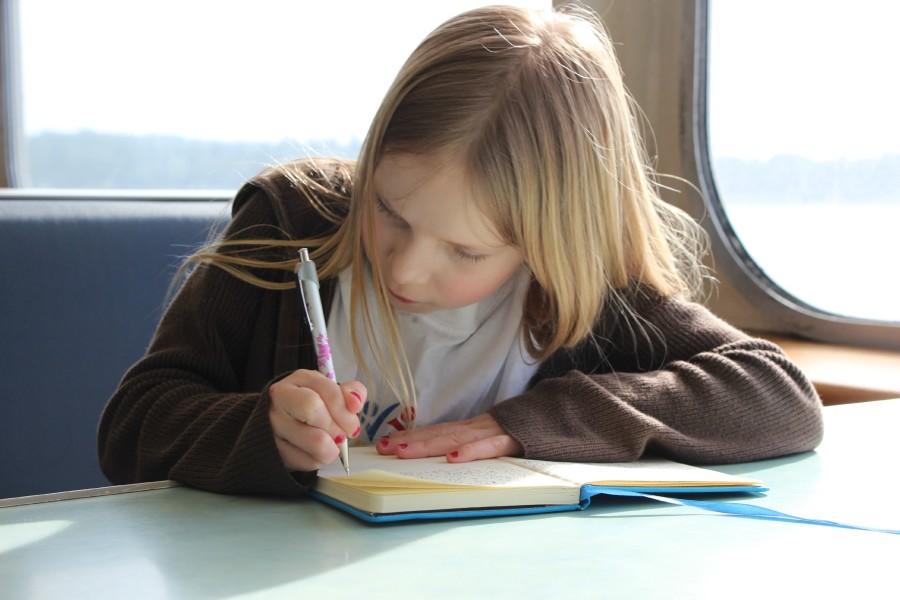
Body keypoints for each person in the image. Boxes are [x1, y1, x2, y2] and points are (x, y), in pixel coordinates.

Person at [98, 4, 823, 497]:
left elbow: (778, 396)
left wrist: (537, 423)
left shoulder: (582, 296)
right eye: (389, 210)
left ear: (545, 245)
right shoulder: (290, 224)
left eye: (466, 251)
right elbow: (133, 425)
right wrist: (261, 432)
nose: (406, 267)